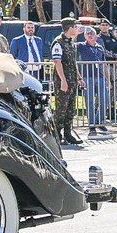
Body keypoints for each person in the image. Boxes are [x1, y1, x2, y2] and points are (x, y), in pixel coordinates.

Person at [50, 17, 82, 145]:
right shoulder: (58, 42)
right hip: (62, 80)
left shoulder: (70, 42)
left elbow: (73, 63)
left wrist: (79, 77)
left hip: (72, 80)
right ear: (69, 28)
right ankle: (57, 135)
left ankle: (68, 134)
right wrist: (63, 80)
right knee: (60, 109)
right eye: (75, 27)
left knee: (70, 108)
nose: (76, 29)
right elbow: (57, 62)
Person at [76, 26, 108, 137]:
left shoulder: (99, 47)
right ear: (84, 36)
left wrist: (108, 79)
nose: (90, 35)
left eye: (92, 33)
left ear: (95, 35)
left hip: (100, 77)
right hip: (87, 77)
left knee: (105, 99)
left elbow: (104, 64)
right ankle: (92, 125)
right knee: (89, 102)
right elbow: (71, 46)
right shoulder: (81, 46)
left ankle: (99, 121)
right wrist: (76, 34)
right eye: (87, 34)